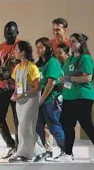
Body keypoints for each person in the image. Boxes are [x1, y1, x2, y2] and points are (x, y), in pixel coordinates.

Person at [56, 33, 94, 162]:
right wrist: (63, 82)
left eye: (74, 41)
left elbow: (87, 78)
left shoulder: (85, 58)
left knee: (86, 124)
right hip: (69, 97)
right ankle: (68, 153)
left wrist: (69, 78)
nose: (71, 44)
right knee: (67, 125)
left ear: (81, 43)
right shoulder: (69, 59)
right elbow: (67, 78)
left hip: (82, 96)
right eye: (70, 41)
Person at [6, 41, 45, 162]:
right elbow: (16, 84)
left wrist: (24, 94)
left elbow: (38, 87)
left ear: (22, 52)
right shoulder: (17, 67)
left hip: (31, 99)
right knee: (23, 128)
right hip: (20, 100)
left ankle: (30, 152)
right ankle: (34, 151)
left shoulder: (32, 67)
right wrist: (14, 94)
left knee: (25, 126)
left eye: (16, 50)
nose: (14, 52)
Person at [35, 37, 65, 159]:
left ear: (47, 48)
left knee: (54, 126)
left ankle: (66, 150)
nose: (38, 50)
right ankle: (45, 150)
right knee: (38, 125)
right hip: (41, 99)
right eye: (37, 48)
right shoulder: (40, 64)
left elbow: (50, 83)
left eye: (41, 47)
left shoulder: (53, 62)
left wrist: (41, 100)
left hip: (51, 99)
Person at [0, 21, 20, 159]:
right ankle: (9, 144)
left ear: (17, 32)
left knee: (18, 120)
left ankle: (18, 146)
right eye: (6, 34)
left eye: (11, 33)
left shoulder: (20, 45)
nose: (8, 36)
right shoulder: (0, 47)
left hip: (16, 88)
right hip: (2, 87)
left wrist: (11, 74)